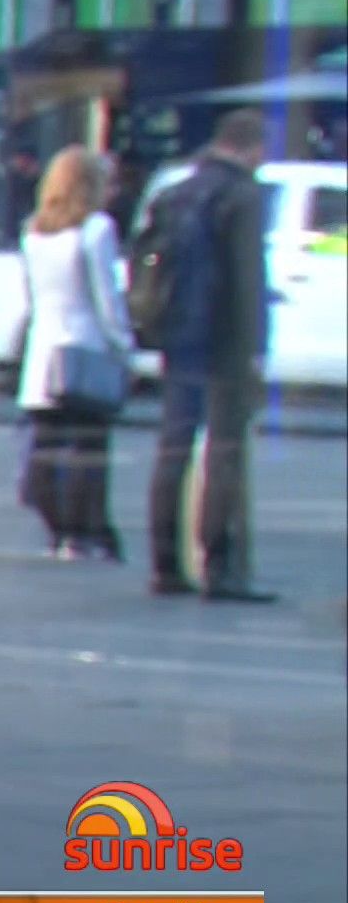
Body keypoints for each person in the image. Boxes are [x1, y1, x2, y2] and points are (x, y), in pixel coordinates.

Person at [147, 109, 276, 603]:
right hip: (224, 343)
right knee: (224, 451)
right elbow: (247, 278)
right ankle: (220, 566)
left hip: (179, 335)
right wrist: (256, 348)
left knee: (173, 446)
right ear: (251, 147)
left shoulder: (176, 192)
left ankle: (165, 564)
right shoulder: (242, 196)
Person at [14, 146, 135, 561]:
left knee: (47, 447)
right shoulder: (97, 230)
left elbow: (32, 298)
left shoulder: (34, 232)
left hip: (43, 352)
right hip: (85, 347)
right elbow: (107, 299)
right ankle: (87, 531)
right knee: (89, 449)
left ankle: (58, 530)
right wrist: (124, 346)